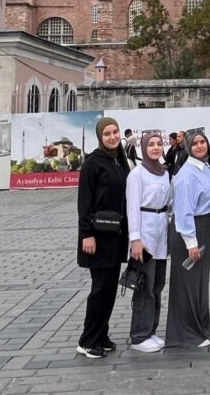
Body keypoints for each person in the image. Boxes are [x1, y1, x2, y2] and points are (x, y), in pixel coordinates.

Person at [76, 116, 133, 359]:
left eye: (115, 132)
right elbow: (84, 202)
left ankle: (101, 334)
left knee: (109, 289)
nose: (112, 137)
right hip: (97, 237)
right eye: (107, 133)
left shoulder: (118, 160)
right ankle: (88, 341)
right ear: (100, 137)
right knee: (100, 289)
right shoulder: (93, 163)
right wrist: (87, 234)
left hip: (114, 235)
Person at [166, 128, 210, 347]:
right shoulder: (188, 175)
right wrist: (191, 243)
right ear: (188, 146)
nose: (199, 146)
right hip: (189, 232)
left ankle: (201, 327)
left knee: (199, 283)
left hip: (203, 227)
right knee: (187, 284)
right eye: (195, 143)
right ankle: (185, 334)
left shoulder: (205, 167)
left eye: (202, 142)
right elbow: (183, 211)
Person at [125, 130, 172, 353]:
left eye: (158, 144)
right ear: (143, 148)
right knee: (144, 286)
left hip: (161, 232)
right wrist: (135, 239)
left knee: (157, 285)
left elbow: (169, 202)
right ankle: (139, 335)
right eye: (150, 144)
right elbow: (132, 207)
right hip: (144, 234)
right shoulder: (137, 175)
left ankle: (151, 329)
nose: (155, 148)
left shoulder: (164, 173)